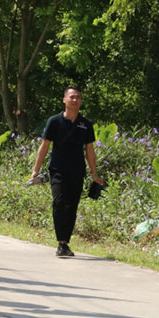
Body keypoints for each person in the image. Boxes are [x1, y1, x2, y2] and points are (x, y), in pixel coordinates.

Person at [29, 85, 104, 257]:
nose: (75, 100)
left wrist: (94, 174)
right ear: (64, 100)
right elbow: (44, 146)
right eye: (72, 97)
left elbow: (90, 151)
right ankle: (60, 241)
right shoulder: (54, 122)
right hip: (57, 170)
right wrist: (35, 170)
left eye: (78, 97)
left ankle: (65, 243)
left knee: (72, 206)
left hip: (77, 171)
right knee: (59, 202)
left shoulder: (85, 124)